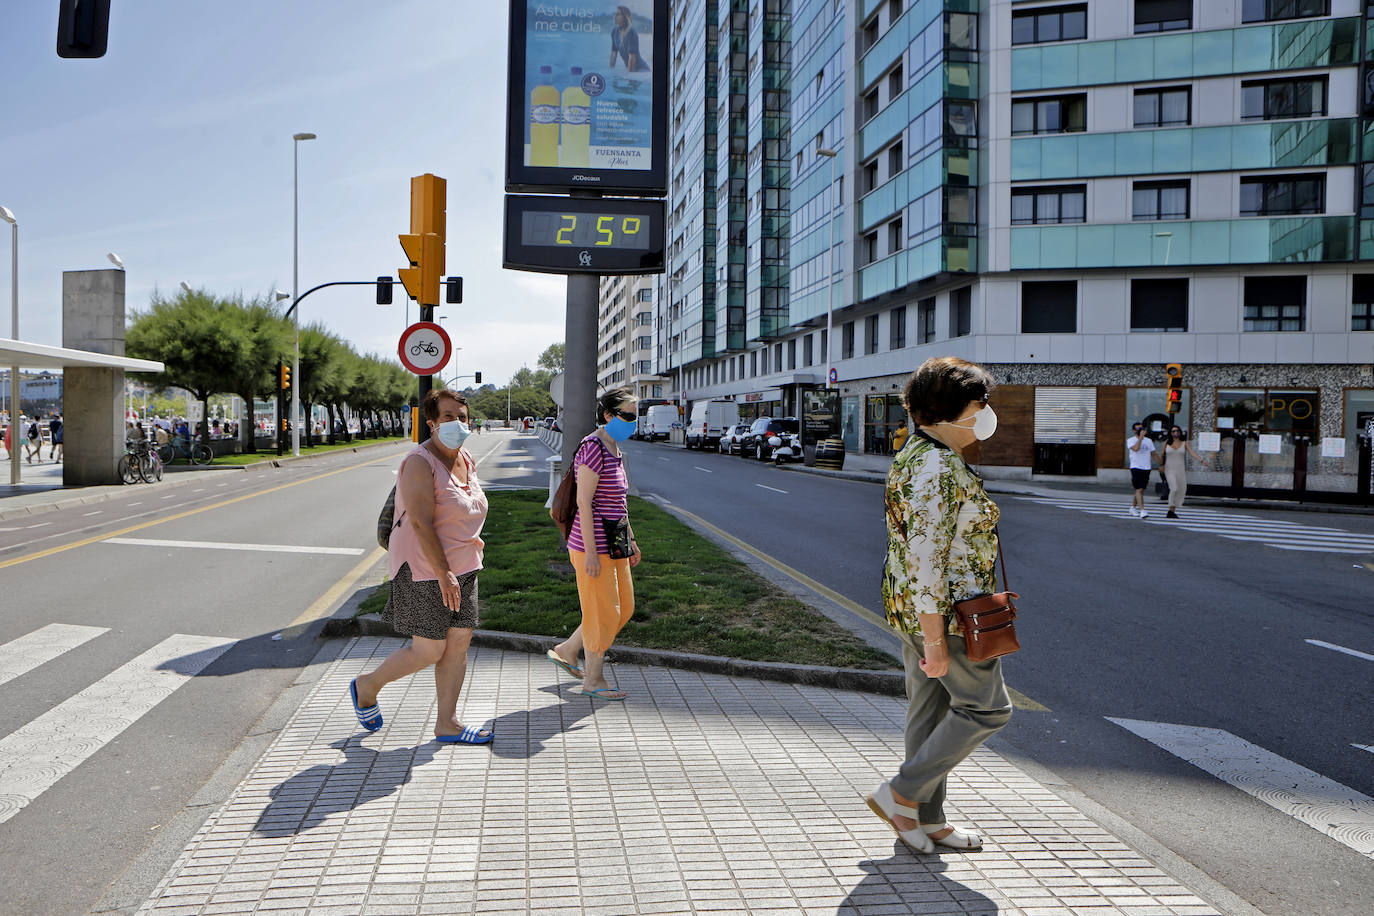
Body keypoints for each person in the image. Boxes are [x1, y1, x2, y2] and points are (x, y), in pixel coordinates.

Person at [869, 356, 1012, 853]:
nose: (986, 413)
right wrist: (936, 640)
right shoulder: (938, 467)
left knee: (928, 713)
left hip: (917, 606)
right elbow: (928, 559)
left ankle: (925, 819)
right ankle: (902, 794)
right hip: (947, 614)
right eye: (980, 404)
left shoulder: (920, 455)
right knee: (987, 709)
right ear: (951, 411)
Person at [350, 388, 493, 744]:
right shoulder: (418, 462)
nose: (458, 423)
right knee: (429, 649)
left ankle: (448, 724)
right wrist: (444, 572)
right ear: (431, 423)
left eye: (462, 416)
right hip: (425, 568)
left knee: (458, 643)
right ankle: (367, 686)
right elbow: (421, 523)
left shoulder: (466, 459)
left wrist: (458, 568)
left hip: (465, 565)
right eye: (448, 416)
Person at [553, 387, 642, 700]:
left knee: (623, 608)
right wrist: (591, 552)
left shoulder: (614, 447)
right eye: (627, 416)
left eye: (635, 416)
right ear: (608, 415)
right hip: (591, 543)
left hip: (615, 538)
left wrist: (631, 539)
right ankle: (593, 679)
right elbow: (585, 502)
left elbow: (619, 501)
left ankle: (568, 649)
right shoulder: (593, 447)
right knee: (603, 612)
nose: (633, 422)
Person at [1160, 425, 1205, 519]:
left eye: (1177, 431)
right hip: (1169, 468)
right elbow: (1162, 455)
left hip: (1180, 469)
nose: (1175, 433)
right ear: (1170, 433)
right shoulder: (1166, 443)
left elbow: (1192, 453)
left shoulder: (1184, 443)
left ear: (1180, 432)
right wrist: (1161, 465)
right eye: (1173, 431)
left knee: (1181, 489)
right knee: (1174, 488)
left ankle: (1172, 511)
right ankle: (1170, 508)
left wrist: (1201, 460)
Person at [1127, 422, 1155, 519]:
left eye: (1141, 429)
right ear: (1134, 431)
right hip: (1136, 467)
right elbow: (1136, 448)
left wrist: (1161, 464)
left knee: (1141, 489)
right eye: (1138, 429)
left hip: (1146, 467)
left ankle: (1133, 507)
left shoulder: (1149, 441)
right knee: (1139, 489)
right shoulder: (1130, 440)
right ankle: (1142, 510)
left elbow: (1153, 453)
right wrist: (1140, 438)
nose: (1140, 430)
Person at [609, 5, 650, 72]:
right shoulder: (614, 31)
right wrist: (611, 72)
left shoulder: (631, 32)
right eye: (615, 14)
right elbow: (614, 53)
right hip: (630, 68)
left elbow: (632, 57)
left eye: (618, 14)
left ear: (625, 17)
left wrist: (630, 75)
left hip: (641, 70)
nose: (615, 16)